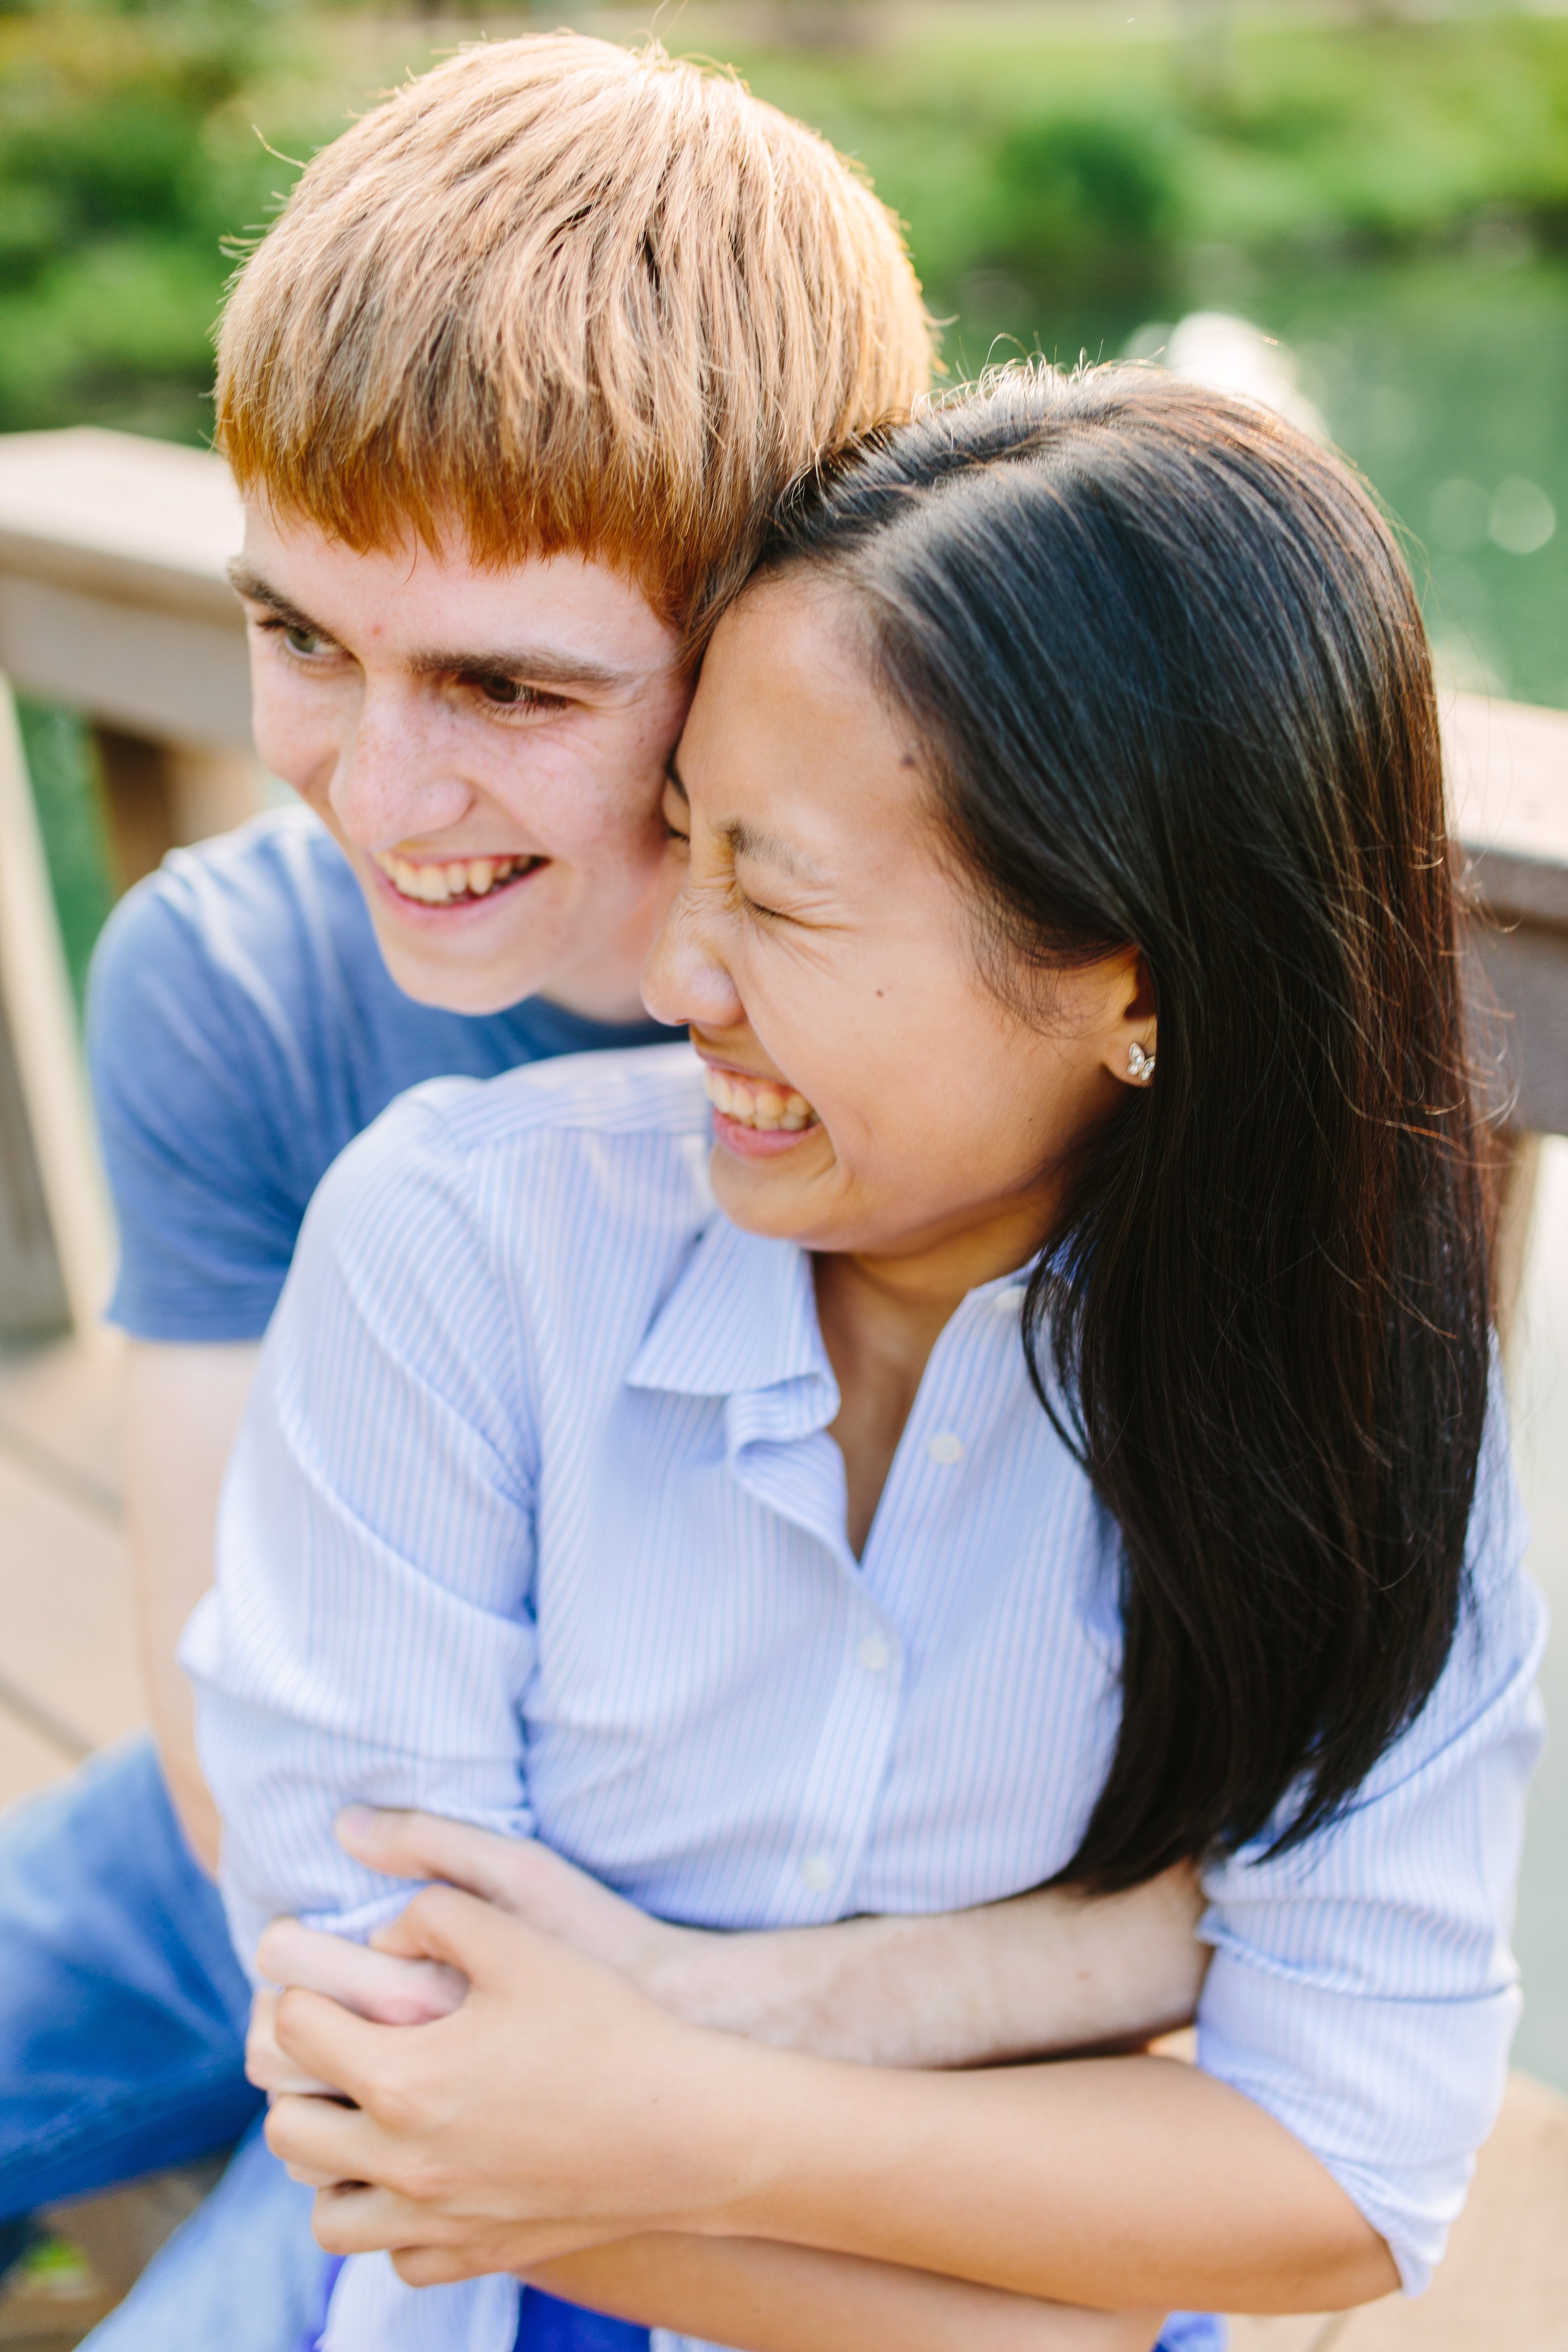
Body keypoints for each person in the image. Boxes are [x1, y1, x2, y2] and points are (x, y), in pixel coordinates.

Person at [0, 36, 1206, 2352]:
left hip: (730, 1937)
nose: (374, 778)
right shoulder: (237, 991)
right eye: (298, 637)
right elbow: (241, 1787)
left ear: (774, 613)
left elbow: (1207, 1863)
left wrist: (617, 2080)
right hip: (299, 1848)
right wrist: (408, 2043)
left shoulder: (943, 1056)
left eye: (506, 685)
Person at [195, 366, 1544, 2352]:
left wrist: (688, 2102)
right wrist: (1039, 2317)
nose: (675, 977)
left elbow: (1342, 2165)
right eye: (686, 840)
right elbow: (384, 2099)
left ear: (1132, 978)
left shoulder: (1361, 1421)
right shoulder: (463, 1246)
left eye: (782, 891)